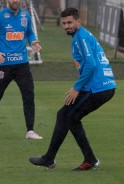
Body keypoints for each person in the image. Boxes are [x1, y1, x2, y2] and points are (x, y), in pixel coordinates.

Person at [29, 7, 116, 171]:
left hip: (98, 87)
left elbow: (91, 65)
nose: (67, 26)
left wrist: (77, 87)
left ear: (78, 21)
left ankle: (49, 158)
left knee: (66, 115)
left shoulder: (80, 37)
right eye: (64, 23)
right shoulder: (81, 36)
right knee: (68, 116)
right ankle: (89, 159)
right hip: (99, 86)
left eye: (69, 22)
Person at [0, 0, 42, 139]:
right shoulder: (1, 15)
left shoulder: (26, 16)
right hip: (4, 64)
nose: (16, 1)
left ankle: (30, 131)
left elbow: (29, 32)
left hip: (22, 64)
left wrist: (34, 41)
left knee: (29, 95)